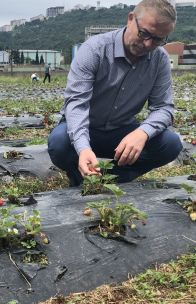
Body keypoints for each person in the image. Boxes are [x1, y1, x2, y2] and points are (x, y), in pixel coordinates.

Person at [47, 0, 182, 186]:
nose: (148, 43)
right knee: (59, 143)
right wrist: (83, 148)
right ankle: (80, 177)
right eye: (144, 33)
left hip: (121, 132)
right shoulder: (94, 50)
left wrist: (142, 132)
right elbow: (76, 103)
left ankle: (116, 178)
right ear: (130, 19)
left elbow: (163, 107)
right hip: (88, 127)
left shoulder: (159, 60)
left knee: (171, 144)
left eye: (158, 39)